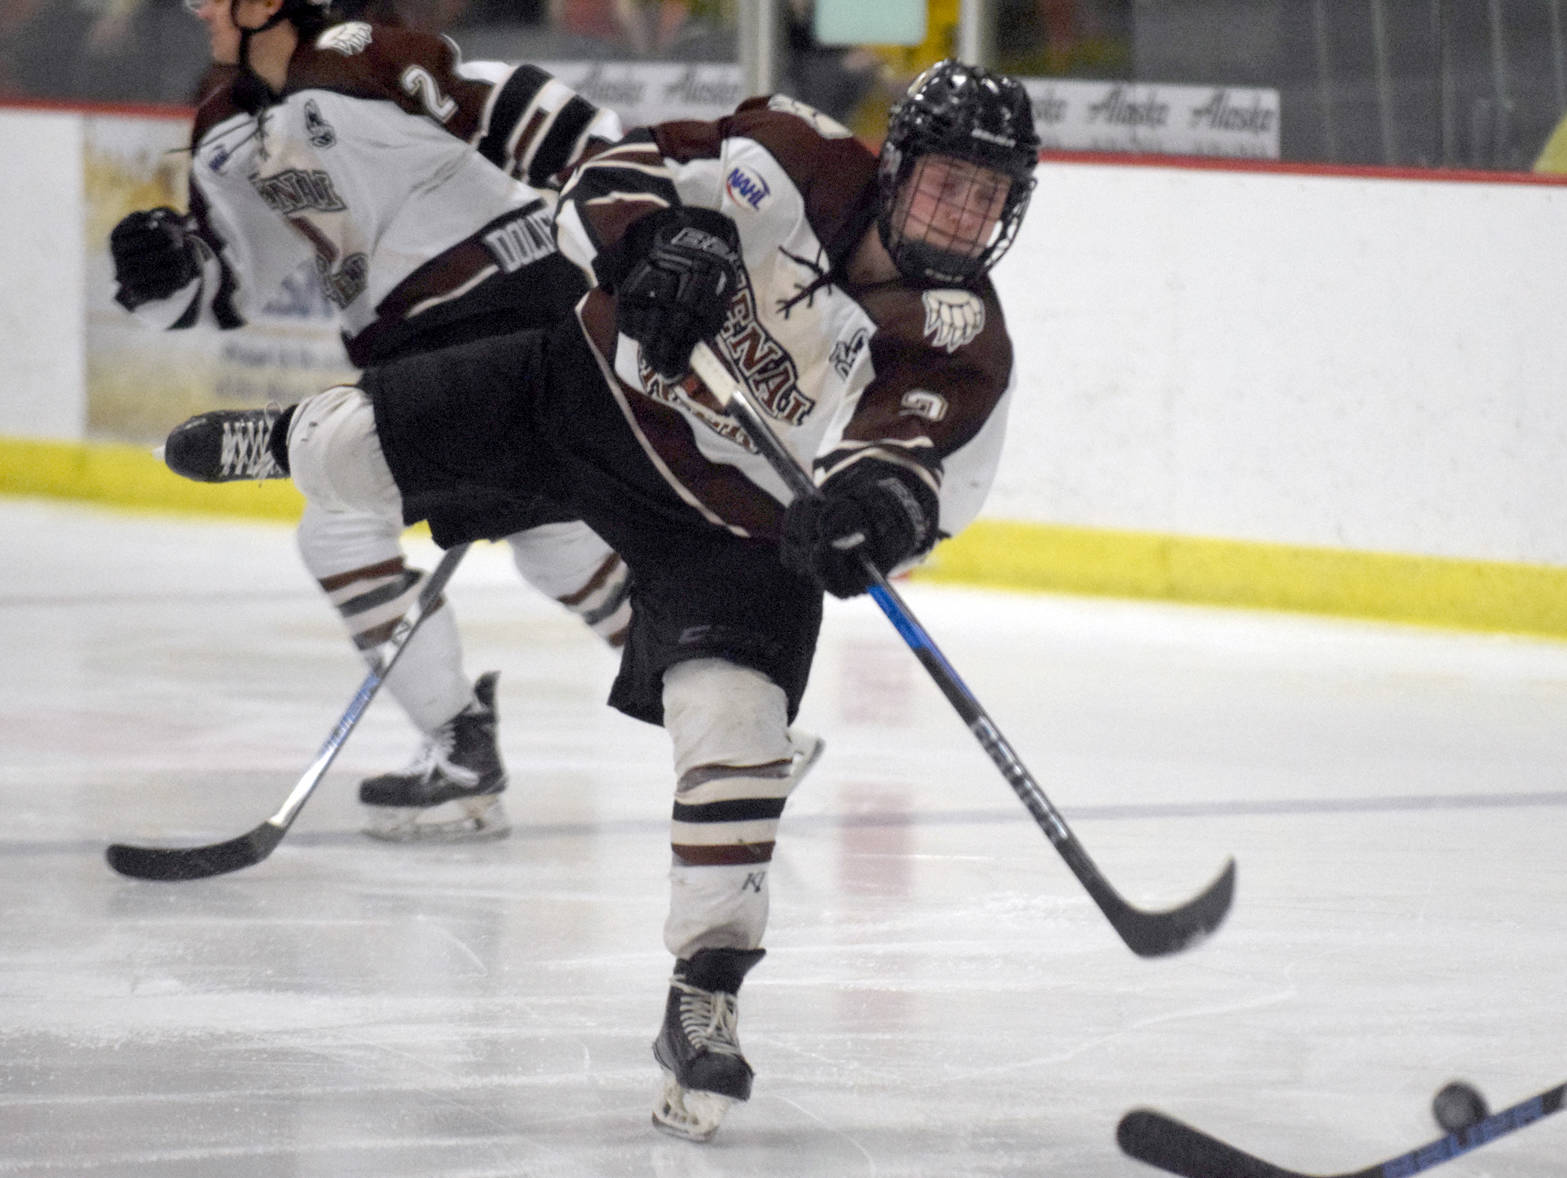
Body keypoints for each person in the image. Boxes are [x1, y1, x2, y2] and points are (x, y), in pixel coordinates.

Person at [159, 59, 1038, 1140]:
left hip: (732, 531)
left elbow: (910, 477)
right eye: (949, 181)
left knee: (740, 733)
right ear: (898, 164)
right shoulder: (792, 153)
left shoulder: (960, 345)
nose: (962, 213)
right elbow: (616, 166)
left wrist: (869, 522)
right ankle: (285, 434)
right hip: (586, 397)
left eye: (987, 197)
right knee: (352, 449)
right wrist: (655, 242)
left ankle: (704, 992)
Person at [108, 0, 643, 842]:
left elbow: (531, 111)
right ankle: (737, 714)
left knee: (340, 530)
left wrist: (636, 214)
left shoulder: (361, 58)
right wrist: (163, 275)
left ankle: (463, 757)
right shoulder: (226, 127)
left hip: (521, 312)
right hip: (419, 351)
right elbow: (230, 284)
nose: (199, 7)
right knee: (557, 539)